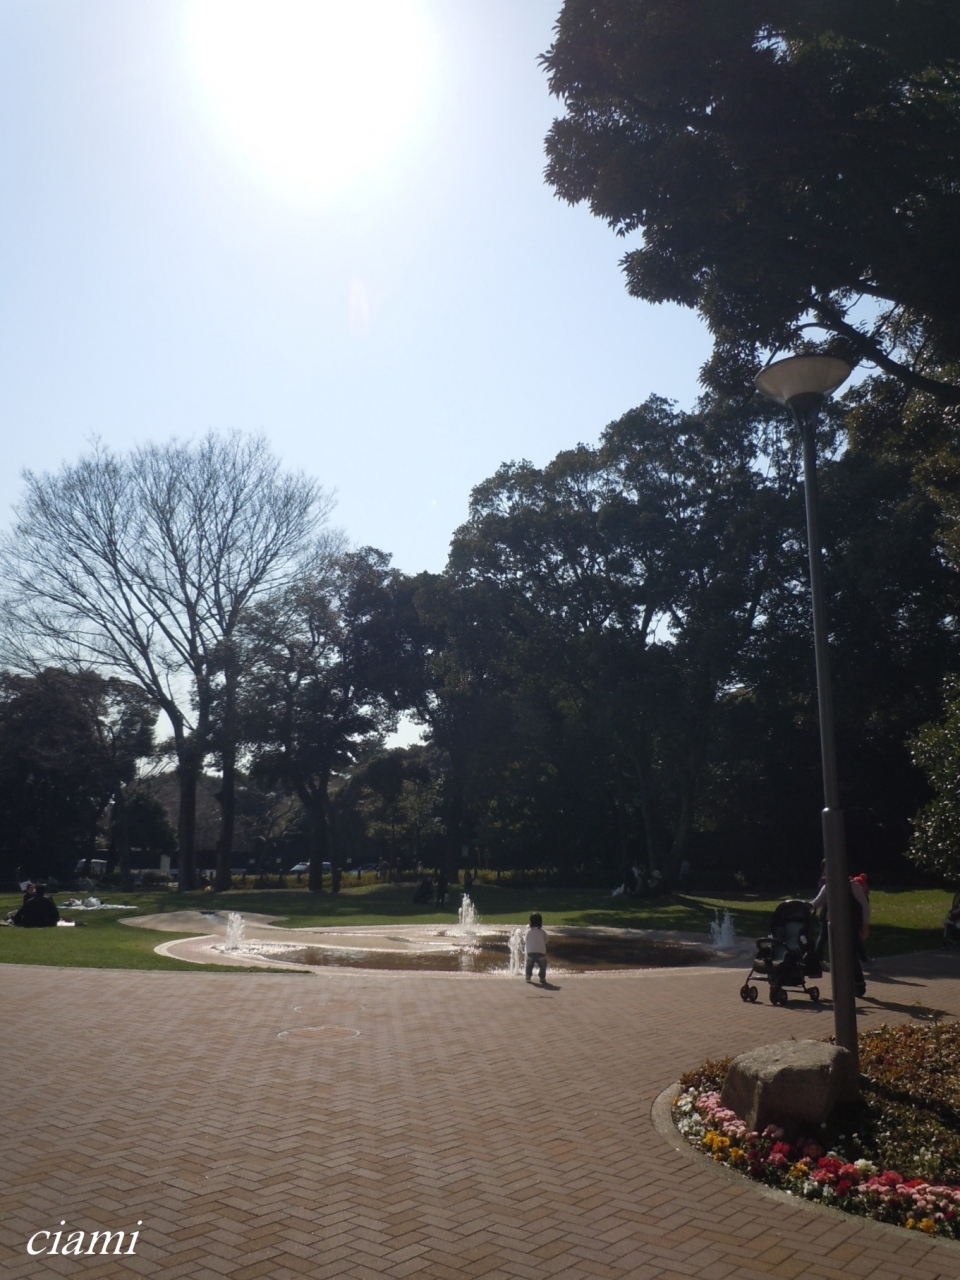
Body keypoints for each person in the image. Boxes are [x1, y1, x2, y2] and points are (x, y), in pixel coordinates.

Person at [810, 873, 867, 997]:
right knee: (836, 956)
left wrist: (865, 925)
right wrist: (805, 907)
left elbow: (864, 906)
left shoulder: (853, 886)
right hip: (833, 926)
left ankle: (858, 983)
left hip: (850, 925)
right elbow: (817, 902)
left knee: (850, 954)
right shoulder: (828, 887)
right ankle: (842, 986)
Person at [524, 912, 548, 985]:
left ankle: (528, 976)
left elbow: (526, 940)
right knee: (543, 966)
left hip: (531, 952)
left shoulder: (528, 932)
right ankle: (542, 977)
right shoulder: (542, 932)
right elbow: (546, 940)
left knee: (529, 965)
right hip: (541, 953)